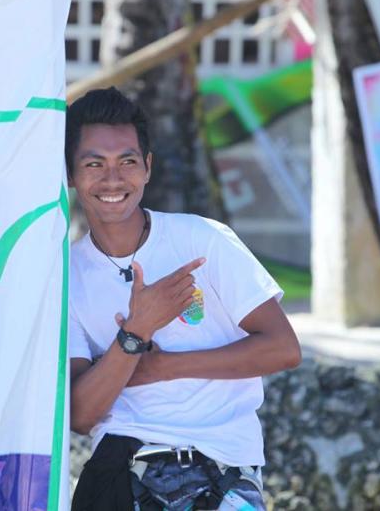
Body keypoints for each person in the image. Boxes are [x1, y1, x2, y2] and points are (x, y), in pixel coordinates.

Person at [67, 87, 301, 511]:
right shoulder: (65, 275)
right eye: (93, 164)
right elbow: (81, 415)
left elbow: (283, 348)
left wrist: (164, 367)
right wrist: (135, 334)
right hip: (121, 469)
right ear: (70, 174)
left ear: (148, 167)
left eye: (127, 161)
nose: (113, 178)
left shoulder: (201, 240)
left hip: (221, 467)